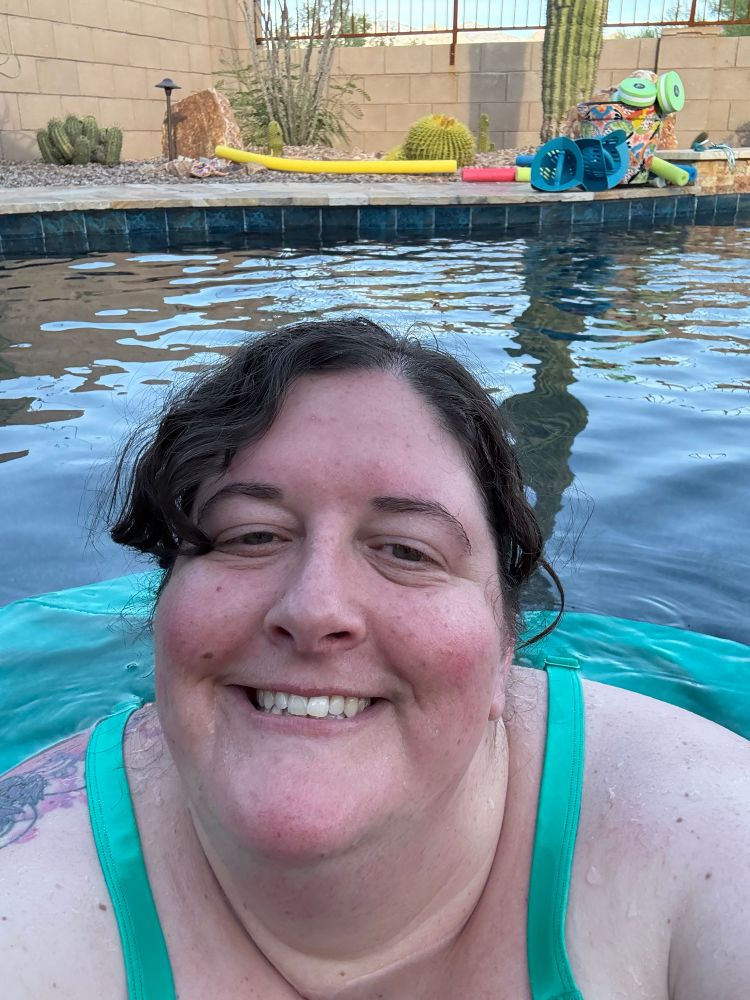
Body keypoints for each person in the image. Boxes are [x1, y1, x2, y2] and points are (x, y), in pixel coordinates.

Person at [1, 318, 747, 1000]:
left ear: (504, 648)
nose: (314, 609)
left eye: (407, 551)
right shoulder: (31, 891)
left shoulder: (703, 829)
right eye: (249, 535)